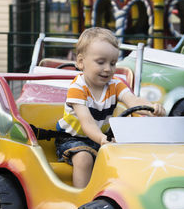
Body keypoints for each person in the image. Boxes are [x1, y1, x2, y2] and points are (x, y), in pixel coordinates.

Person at [55, 27, 166, 188]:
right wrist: (101, 139)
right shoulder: (78, 88)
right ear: (80, 62)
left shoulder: (115, 84)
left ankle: (123, 192)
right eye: (101, 62)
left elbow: (132, 101)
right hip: (73, 138)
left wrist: (152, 108)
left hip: (103, 137)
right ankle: (81, 201)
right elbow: (87, 122)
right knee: (83, 158)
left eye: (113, 63)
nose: (108, 68)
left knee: (131, 153)